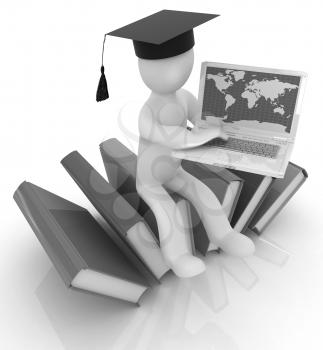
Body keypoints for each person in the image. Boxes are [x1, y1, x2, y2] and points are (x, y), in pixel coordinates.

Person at [97, 10, 255, 277]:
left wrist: (224, 122)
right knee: (169, 212)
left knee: (204, 194)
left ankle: (224, 235)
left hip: (175, 172)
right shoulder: (146, 112)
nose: (174, 72)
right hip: (150, 180)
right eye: (163, 66)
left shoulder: (185, 97)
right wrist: (202, 135)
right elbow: (171, 139)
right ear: (142, 68)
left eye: (182, 63)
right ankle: (177, 257)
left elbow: (201, 118)